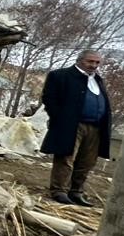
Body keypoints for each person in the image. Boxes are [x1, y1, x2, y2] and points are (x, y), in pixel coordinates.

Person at [39, 50, 111, 207]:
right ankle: (59, 190)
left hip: (95, 127)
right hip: (71, 125)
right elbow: (49, 98)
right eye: (90, 61)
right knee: (66, 158)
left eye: (97, 62)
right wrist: (60, 118)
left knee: (87, 161)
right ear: (79, 60)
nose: (94, 65)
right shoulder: (61, 75)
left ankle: (76, 191)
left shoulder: (98, 79)